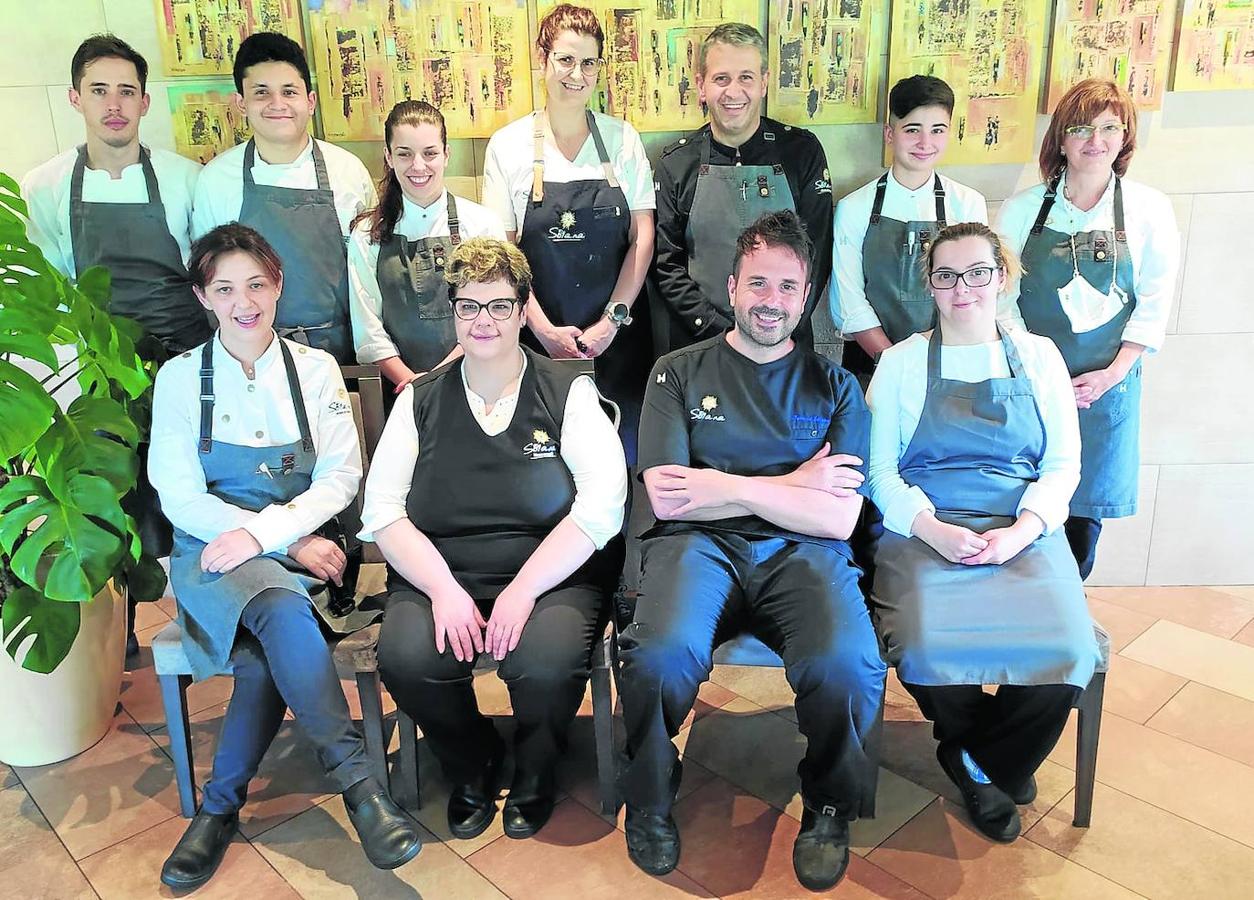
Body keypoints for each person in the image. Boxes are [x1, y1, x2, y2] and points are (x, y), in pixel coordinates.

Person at [618, 211, 884, 892]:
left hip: (804, 555)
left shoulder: (838, 387)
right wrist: (790, 483)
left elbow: (837, 516)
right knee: (657, 655)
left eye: (787, 287)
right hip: (696, 549)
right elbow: (671, 499)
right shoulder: (674, 373)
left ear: (805, 295)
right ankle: (649, 796)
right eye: (758, 283)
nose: (771, 300)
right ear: (733, 286)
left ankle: (828, 802)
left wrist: (719, 483)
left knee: (849, 664)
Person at [149, 224, 421, 889]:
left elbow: (339, 477)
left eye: (256, 285)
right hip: (213, 553)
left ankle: (217, 812)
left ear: (276, 286)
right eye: (224, 288)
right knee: (273, 603)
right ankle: (360, 785)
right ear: (203, 297)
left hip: (311, 549)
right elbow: (178, 494)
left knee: (271, 633)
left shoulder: (315, 370)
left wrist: (281, 538)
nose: (244, 302)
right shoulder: (182, 380)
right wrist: (279, 537)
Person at [362, 238, 627, 841]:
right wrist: (443, 591)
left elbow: (602, 508)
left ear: (522, 307)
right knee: (407, 661)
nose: (483, 320)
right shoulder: (420, 401)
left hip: (553, 569)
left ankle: (536, 772)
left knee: (544, 664)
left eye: (500, 305)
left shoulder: (568, 392)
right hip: (442, 569)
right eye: (469, 305)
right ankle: (473, 760)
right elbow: (383, 512)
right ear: (453, 312)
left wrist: (524, 591)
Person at [867, 222, 1102, 843]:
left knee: (1070, 654)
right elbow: (879, 473)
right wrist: (932, 529)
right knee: (919, 645)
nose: (962, 287)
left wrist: (1022, 533)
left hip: (1022, 526)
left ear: (1001, 278)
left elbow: (1063, 468)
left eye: (977, 272)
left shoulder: (1040, 356)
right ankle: (991, 761)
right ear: (931, 287)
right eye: (947, 276)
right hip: (926, 529)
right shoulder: (900, 362)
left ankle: (978, 760)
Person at [21, 34, 212, 654]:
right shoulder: (46, 185)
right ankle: (119, 634)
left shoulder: (186, 179)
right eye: (99, 90)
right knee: (110, 498)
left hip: (183, 360)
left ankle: (202, 615)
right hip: (101, 376)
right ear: (76, 97)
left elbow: (208, 275)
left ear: (145, 102)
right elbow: (52, 283)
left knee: (190, 490)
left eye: (126, 91)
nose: (113, 104)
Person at [996, 78, 1179, 579]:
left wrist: (1110, 374)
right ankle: (1027, 604)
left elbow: (1154, 304)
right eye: (1080, 128)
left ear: (1125, 138)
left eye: (1108, 128)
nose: (1094, 140)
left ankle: (1070, 611)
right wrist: (1035, 369)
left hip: (1105, 387)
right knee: (1022, 498)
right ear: (1060, 138)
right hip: (1029, 382)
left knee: (1082, 513)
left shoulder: (1148, 210)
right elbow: (1000, 299)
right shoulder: (1023, 210)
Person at [482, 4, 655, 462]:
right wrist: (540, 328)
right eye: (565, 60)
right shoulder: (508, 145)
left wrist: (612, 321)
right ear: (543, 61)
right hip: (535, 342)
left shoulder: (623, 140)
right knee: (544, 465)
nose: (576, 74)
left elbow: (643, 237)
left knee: (617, 461)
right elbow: (503, 254)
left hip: (616, 342)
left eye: (588, 62)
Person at [193, 32, 375, 364]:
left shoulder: (348, 171)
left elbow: (371, 270)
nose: (277, 104)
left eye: (289, 92)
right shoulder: (215, 180)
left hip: (342, 355)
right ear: (241, 103)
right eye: (262, 93)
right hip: (249, 355)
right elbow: (208, 278)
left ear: (311, 101)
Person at [652, 23, 833, 355]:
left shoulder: (802, 152)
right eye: (721, 79)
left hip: (784, 343)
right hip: (701, 345)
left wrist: (776, 327)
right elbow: (667, 264)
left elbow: (817, 254)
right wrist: (721, 332)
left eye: (746, 78)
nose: (733, 92)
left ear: (764, 83)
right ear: (701, 86)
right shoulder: (675, 163)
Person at [831, 75, 988, 383]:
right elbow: (848, 304)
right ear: (890, 134)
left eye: (937, 130)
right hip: (871, 365)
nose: (925, 143)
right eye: (912, 129)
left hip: (950, 362)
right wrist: (895, 365)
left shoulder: (968, 205)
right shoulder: (854, 208)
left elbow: (975, 294)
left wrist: (932, 364)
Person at [349, 100, 504, 393]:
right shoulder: (367, 234)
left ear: (446, 154)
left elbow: (494, 314)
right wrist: (412, 384)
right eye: (404, 154)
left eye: (430, 153)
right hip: (398, 389)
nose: (418, 166)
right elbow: (368, 329)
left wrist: (438, 378)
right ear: (389, 157)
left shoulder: (482, 225)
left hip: (476, 380)